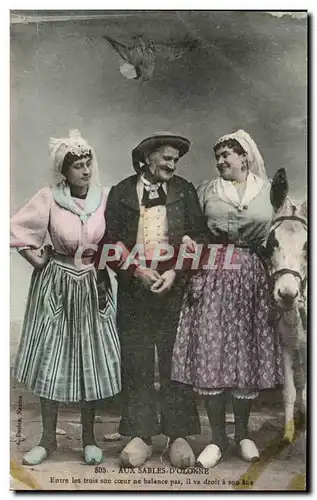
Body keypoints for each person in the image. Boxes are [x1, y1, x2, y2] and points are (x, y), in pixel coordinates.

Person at [171, 129, 284, 468]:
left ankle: (243, 434)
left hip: (252, 277)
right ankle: (217, 439)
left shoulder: (267, 193)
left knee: (245, 355)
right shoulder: (206, 192)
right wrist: (190, 241)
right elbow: (187, 227)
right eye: (217, 157)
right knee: (214, 353)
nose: (220, 161)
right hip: (214, 273)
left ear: (245, 157)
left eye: (227, 155)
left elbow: (282, 233)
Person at [10, 130, 121, 466]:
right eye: (77, 166)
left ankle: (88, 438)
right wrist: (37, 258)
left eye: (88, 164)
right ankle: (47, 439)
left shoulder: (105, 198)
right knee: (51, 358)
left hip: (91, 282)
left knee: (88, 360)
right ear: (64, 172)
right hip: (56, 283)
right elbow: (15, 230)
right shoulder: (49, 197)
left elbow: (112, 241)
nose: (85, 171)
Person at [101, 132, 209, 468]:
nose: (172, 165)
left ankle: (178, 434)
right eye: (166, 158)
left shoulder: (185, 190)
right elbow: (109, 241)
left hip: (173, 287)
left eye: (175, 160)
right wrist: (136, 271)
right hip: (136, 289)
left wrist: (176, 272)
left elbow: (201, 236)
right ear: (147, 159)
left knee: (174, 360)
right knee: (137, 360)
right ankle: (140, 435)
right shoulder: (121, 192)